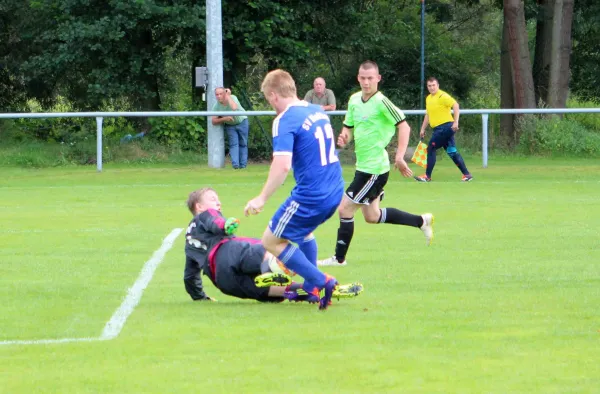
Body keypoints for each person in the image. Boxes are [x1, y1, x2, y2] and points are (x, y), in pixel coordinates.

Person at [244, 69, 346, 310]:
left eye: (269, 100)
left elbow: (282, 165)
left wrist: (261, 198)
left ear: (273, 95)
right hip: (335, 189)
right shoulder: (316, 111)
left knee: (271, 240)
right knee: (302, 232)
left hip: (313, 194)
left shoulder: (285, 119)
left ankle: (322, 281)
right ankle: (311, 289)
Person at [318, 60, 434, 267]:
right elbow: (348, 128)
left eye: (370, 78)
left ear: (378, 79)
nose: (366, 82)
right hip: (363, 168)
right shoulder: (354, 100)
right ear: (358, 78)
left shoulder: (382, 102)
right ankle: (421, 221)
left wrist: (399, 157)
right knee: (372, 216)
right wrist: (344, 138)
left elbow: (404, 127)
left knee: (345, 209)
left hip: (375, 170)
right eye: (362, 78)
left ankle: (339, 259)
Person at [184, 188, 363, 303]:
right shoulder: (206, 215)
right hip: (227, 252)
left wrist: (199, 297)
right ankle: (287, 270)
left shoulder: (189, 244)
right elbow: (216, 221)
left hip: (222, 281)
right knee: (266, 247)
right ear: (199, 207)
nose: (218, 202)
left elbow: (190, 275)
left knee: (269, 290)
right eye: (213, 198)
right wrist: (225, 225)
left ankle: (308, 292)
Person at [414, 77, 473, 182]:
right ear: (427, 87)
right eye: (429, 86)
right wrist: (423, 129)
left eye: (433, 85)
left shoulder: (442, 96)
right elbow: (428, 115)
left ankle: (427, 176)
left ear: (438, 85)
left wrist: (456, 122)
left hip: (445, 127)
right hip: (439, 129)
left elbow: (455, 105)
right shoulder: (428, 98)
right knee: (452, 151)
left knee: (431, 148)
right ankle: (467, 174)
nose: (432, 87)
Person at [211, 87, 249, 169]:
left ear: (224, 94)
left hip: (242, 122)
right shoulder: (216, 106)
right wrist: (225, 118)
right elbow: (213, 121)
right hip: (230, 125)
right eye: (217, 94)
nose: (218, 96)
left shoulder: (233, 97)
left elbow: (234, 108)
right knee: (233, 144)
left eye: (221, 94)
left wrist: (228, 96)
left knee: (243, 144)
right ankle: (235, 165)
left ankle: (243, 166)